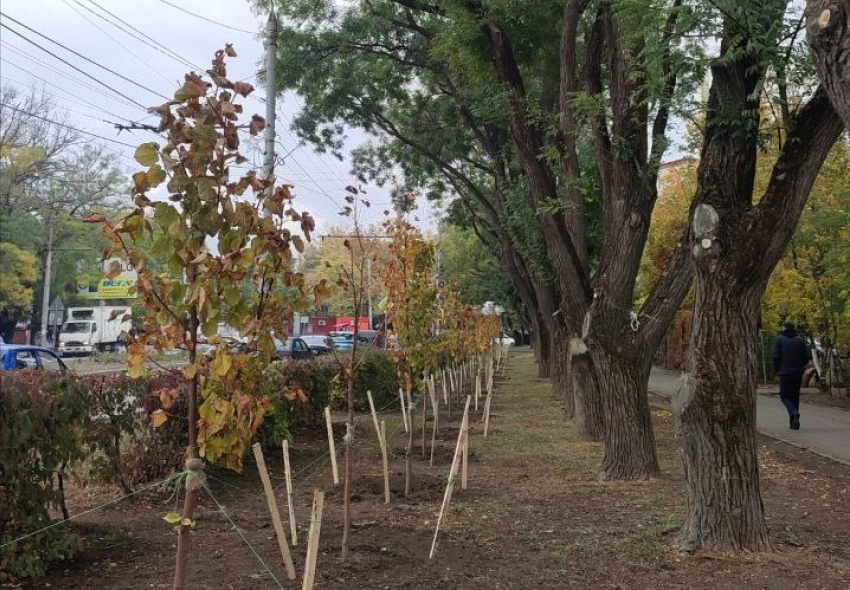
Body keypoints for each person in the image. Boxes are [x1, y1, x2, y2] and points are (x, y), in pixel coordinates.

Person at [773, 321, 811, 430]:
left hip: (784, 372)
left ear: (784, 328)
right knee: (795, 397)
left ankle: (794, 413)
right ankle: (794, 422)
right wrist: (800, 366)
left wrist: (776, 370)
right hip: (797, 372)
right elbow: (807, 356)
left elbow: (775, 356)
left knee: (784, 396)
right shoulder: (800, 341)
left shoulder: (779, 340)